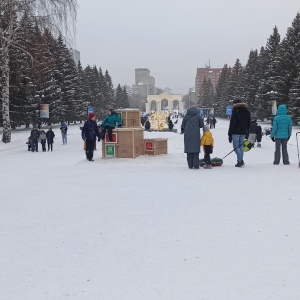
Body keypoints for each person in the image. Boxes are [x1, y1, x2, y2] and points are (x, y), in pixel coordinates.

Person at [228, 98, 251, 167]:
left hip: (236, 131)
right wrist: (247, 131)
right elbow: (248, 122)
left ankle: (240, 160)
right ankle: (239, 161)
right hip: (243, 131)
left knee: (235, 146)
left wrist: (230, 133)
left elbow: (232, 123)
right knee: (241, 146)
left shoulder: (235, 110)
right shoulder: (247, 111)